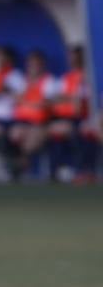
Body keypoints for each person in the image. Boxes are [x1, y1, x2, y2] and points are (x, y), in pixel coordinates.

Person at [9, 48, 54, 181]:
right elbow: (16, 100)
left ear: (42, 66)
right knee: (15, 133)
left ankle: (25, 167)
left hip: (41, 122)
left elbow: (46, 104)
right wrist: (31, 103)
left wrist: (27, 102)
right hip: (23, 121)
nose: (33, 68)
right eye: (31, 64)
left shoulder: (49, 81)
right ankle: (19, 166)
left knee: (32, 139)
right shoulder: (22, 81)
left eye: (37, 65)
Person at [46, 45, 88, 183]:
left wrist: (66, 98)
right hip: (63, 116)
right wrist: (68, 98)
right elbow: (54, 99)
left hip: (80, 117)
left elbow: (78, 102)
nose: (72, 59)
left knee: (76, 132)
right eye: (70, 56)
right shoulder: (66, 78)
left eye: (74, 56)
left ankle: (81, 170)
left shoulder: (87, 75)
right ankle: (56, 171)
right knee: (54, 131)